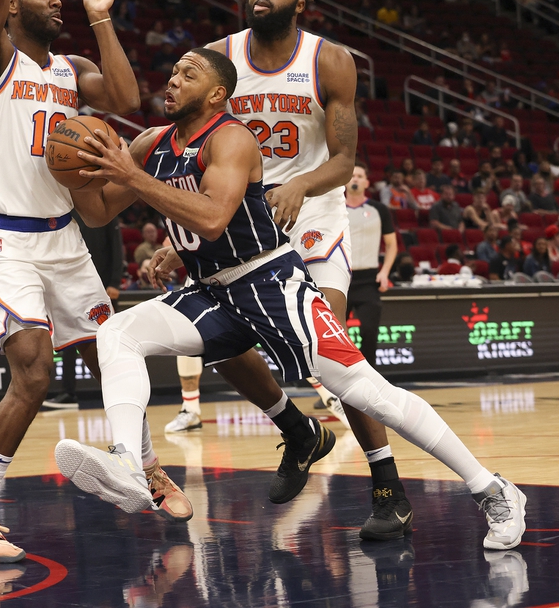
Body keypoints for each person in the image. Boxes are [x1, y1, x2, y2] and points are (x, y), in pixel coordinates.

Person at [53, 46, 527, 551]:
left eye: (187, 74)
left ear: (217, 94)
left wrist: (132, 177)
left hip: (271, 285)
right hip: (213, 292)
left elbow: (213, 218)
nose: (172, 80)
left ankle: (492, 488)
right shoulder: (151, 144)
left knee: (368, 393)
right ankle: (132, 462)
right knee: (117, 333)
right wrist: (75, 173)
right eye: (171, 72)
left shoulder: (232, 137)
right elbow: (100, 213)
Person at [0, 0, 182, 566]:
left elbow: (130, 99)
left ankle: (142, 464)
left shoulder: (70, 72)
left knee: (116, 345)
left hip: (64, 236)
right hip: (5, 240)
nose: (55, 0)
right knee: (34, 373)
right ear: (14, 6)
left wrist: (101, 19)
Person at [201, 0, 425, 536]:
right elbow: (197, 144)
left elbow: (345, 159)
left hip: (315, 211)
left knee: (330, 355)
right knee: (215, 340)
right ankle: (298, 432)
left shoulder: (330, 59)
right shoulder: (219, 59)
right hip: (245, 217)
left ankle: (388, 488)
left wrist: (300, 182)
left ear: (299, 2)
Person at [345, 162, 397, 365]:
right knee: (338, 332)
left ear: (367, 182)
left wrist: (384, 272)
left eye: (359, 176)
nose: (355, 179)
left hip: (368, 279)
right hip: (342, 277)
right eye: (352, 175)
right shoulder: (334, 209)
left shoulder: (379, 209)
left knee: (369, 329)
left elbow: (391, 245)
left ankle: (370, 377)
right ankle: (342, 379)